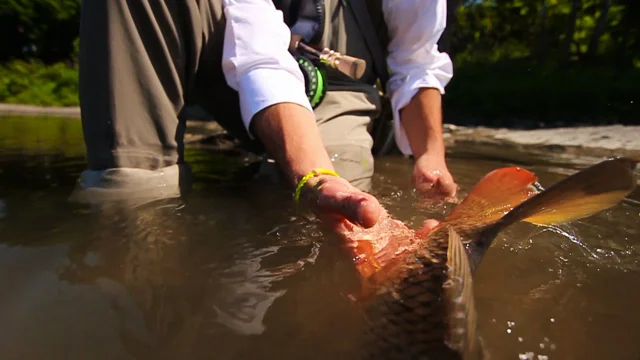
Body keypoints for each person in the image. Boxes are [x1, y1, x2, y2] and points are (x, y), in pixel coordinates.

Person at [71, 0, 458, 232]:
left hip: (339, 86)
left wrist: (430, 155)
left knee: (336, 225)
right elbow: (260, 52)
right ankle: (131, 216)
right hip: (241, 52)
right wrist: (314, 175)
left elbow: (416, 61)